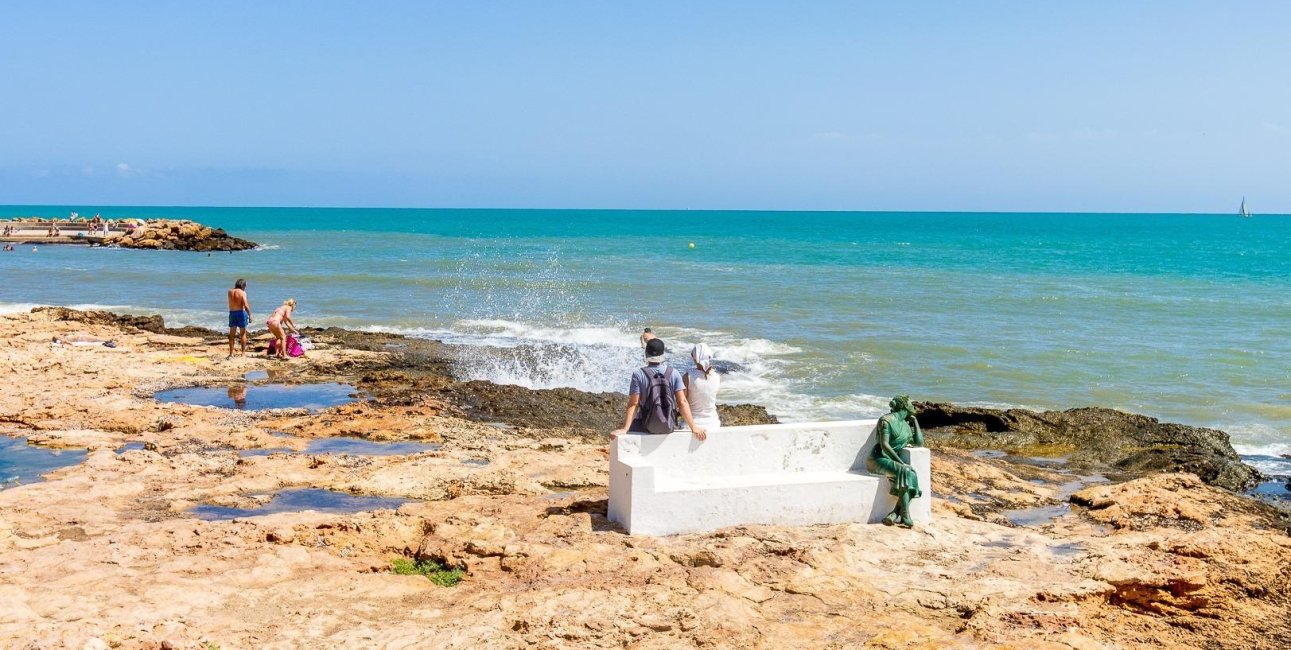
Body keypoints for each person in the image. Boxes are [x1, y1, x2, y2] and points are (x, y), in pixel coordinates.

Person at [610, 338, 708, 440]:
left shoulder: (638, 374)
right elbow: (682, 402)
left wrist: (625, 428)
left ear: (646, 353)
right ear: (663, 354)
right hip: (669, 426)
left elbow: (634, 404)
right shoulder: (674, 373)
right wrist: (694, 428)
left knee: (631, 424)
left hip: (646, 425)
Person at [867, 395, 924, 528]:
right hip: (878, 459)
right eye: (911, 404)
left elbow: (919, 443)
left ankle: (895, 513)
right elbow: (885, 445)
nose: (914, 406)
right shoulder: (886, 421)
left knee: (911, 474)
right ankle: (905, 514)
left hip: (892, 460)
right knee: (906, 470)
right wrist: (900, 462)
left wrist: (915, 421)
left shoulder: (905, 425)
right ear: (904, 406)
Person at [680, 343, 722, 432]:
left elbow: (682, 402)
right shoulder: (717, 377)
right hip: (713, 423)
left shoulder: (688, 377)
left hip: (692, 425)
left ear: (695, 358)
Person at [226, 279, 252, 359]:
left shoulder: (230, 291)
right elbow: (245, 304)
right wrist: (250, 314)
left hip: (232, 313)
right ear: (243, 285)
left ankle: (231, 354)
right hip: (241, 313)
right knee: (243, 334)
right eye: (245, 286)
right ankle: (243, 353)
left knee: (232, 335)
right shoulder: (242, 292)